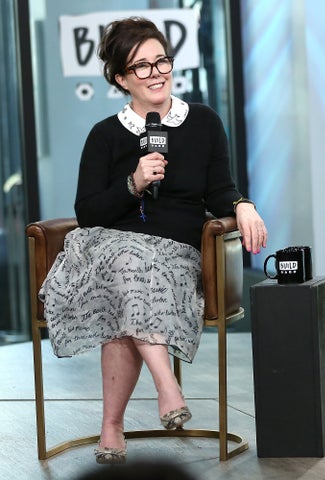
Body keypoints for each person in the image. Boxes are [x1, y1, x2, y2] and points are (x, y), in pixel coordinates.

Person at [38, 17, 267, 464]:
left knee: (127, 285)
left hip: (175, 254)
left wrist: (241, 203)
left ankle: (111, 428)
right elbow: (87, 212)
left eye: (160, 59)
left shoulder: (202, 122)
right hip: (108, 248)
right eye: (141, 66)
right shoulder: (105, 135)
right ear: (121, 79)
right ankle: (168, 387)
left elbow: (220, 188)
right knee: (125, 261)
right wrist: (133, 183)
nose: (156, 72)